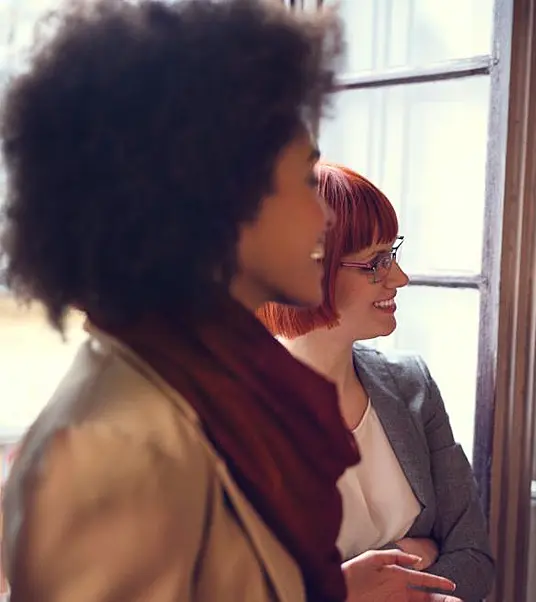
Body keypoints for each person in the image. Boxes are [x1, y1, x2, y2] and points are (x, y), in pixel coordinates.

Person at [0, 2, 455, 601]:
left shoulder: (219, 384)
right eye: (302, 182)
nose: (323, 219)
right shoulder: (111, 448)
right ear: (211, 201)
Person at [257, 162, 495, 602]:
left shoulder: (411, 385)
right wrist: (396, 562)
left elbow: (475, 560)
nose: (399, 278)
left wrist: (387, 585)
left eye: (393, 254)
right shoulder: (226, 409)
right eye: (375, 263)